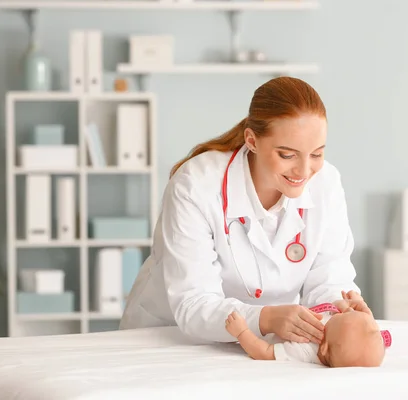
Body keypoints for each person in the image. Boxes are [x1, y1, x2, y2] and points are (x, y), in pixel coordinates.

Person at [119, 76, 365, 345]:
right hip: (171, 335)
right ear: (252, 140)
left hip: (268, 341)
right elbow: (194, 302)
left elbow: (329, 278)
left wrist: (341, 309)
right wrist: (266, 319)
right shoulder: (196, 185)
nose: (304, 171)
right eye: (287, 155)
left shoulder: (326, 184)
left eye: (317, 154)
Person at [225, 290, 391, 367]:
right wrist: (357, 306)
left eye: (342, 315)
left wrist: (242, 332)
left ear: (323, 348)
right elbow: (336, 311)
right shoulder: (335, 334)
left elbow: (264, 351)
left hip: (260, 329)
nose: (345, 310)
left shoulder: (304, 349)